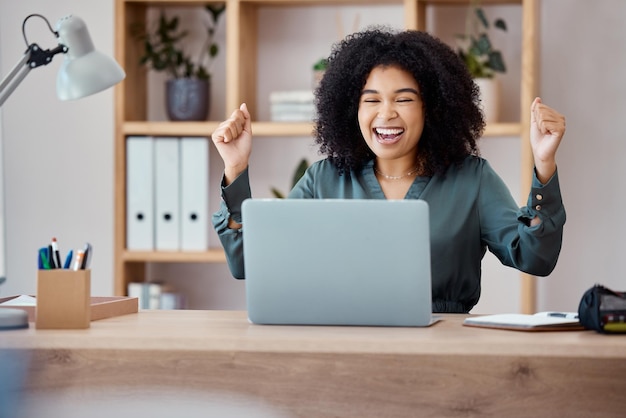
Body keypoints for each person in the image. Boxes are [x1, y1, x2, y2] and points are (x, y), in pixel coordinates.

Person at [211, 27, 566, 313]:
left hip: (445, 351)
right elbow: (250, 263)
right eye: (371, 100)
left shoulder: (472, 179)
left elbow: (534, 257)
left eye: (404, 99)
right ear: (352, 109)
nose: (386, 114)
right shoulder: (323, 180)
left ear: (433, 107)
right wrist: (236, 166)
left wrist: (544, 164)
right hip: (344, 347)